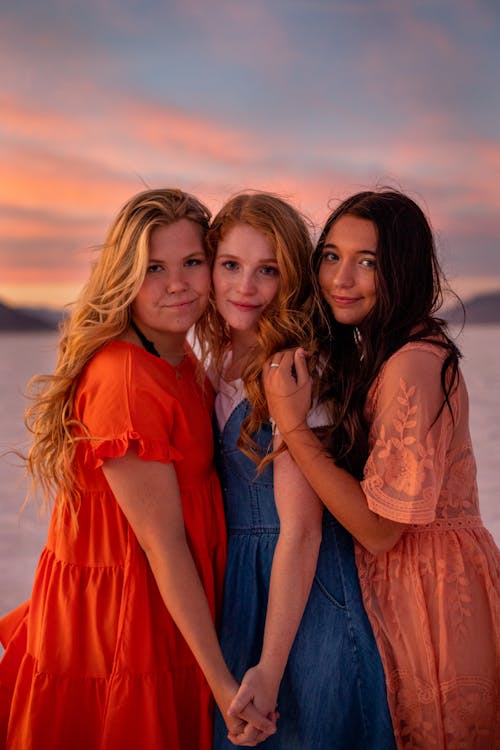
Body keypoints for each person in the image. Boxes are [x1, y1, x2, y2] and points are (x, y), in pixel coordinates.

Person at [0, 188, 275, 750]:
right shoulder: (126, 378)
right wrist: (222, 683)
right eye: (153, 268)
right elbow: (163, 544)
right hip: (128, 619)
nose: (177, 284)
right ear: (124, 275)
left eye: (191, 262)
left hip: (165, 606)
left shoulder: (176, 357)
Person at [263, 189, 500, 749]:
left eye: (367, 262)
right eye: (332, 256)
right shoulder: (392, 352)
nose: (341, 278)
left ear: (403, 269)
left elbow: (378, 529)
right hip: (425, 584)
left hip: (436, 598)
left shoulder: (412, 363)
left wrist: (293, 427)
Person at [198, 191, 395, 748]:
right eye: (231, 265)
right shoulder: (220, 362)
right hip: (245, 586)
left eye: (268, 271)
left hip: (305, 598)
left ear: (291, 281)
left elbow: (303, 528)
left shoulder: (296, 367)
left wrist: (271, 663)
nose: (246, 287)